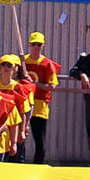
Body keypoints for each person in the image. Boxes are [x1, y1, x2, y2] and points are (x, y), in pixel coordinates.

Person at [21, 31, 60, 164]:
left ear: (43, 46)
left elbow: (52, 85)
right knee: (21, 138)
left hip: (40, 106)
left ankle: (38, 165)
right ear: (29, 45)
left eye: (39, 45)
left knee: (40, 141)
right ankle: (19, 163)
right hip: (24, 105)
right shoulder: (23, 61)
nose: (36, 47)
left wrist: (34, 84)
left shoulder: (47, 64)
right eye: (34, 44)